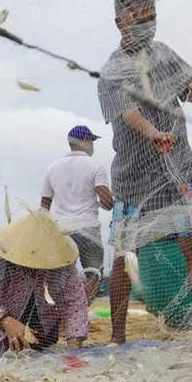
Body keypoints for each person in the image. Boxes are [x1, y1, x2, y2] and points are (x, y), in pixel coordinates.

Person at [98, 0, 192, 344]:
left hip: (177, 170)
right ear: (120, 22)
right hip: (134, 180)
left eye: (151, 17)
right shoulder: (112, 70)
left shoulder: (164, 54)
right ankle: (118, 336)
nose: (146, 24)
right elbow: (129, 114)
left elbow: (190, 92)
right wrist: (154, 134)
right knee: (125, 256)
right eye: (138, 18)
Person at [0, 210, 89, 353]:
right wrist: (6, 322)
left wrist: (74, 344)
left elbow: (75, 304)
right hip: (4, 320)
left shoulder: (62, 262)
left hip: (44, 323)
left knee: (41, 352)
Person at [40, 125, 114, 301]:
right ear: (86, 142)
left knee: (60, 277)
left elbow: (44, 207)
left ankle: (63, 314)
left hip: (62, 231)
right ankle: (81, 311)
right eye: (91, 142)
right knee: (94, 275)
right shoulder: (95, 167)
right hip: (88, 229)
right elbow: (106, 201)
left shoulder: (52, 168)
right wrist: (107, 202)